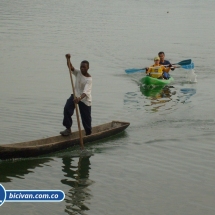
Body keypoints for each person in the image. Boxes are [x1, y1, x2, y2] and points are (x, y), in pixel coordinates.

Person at [60, 54, 92, 136]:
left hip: (84, 100)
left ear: (88, 68)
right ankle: (68, 129)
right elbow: (70, 67)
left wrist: (79, 99)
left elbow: (85, 92)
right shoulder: (78, 72)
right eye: (81, 67)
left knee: (86, 119)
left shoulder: (89, 79)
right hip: (75, 95)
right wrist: (68, 59)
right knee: (67, 108)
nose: (82, 68)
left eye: (84, 67)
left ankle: (88, 133)